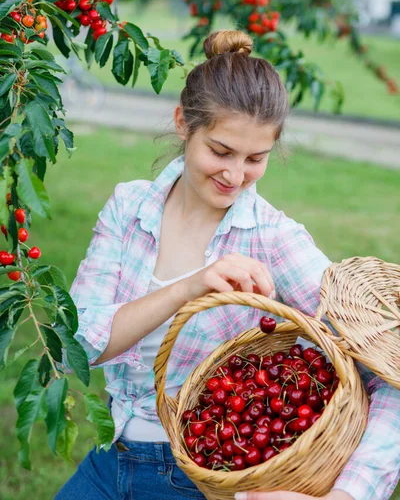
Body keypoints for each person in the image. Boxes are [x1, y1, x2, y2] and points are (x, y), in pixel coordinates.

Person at [56, 30, 400, 500]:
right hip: (109, 456)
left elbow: (389, 371)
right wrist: (186, 288)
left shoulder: (273, 238)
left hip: (201, 480)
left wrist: (347, 496)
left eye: (255, 159)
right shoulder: (129, 207)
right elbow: (78, 345)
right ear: (183, 123)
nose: (235, 175)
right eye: (220, 151)